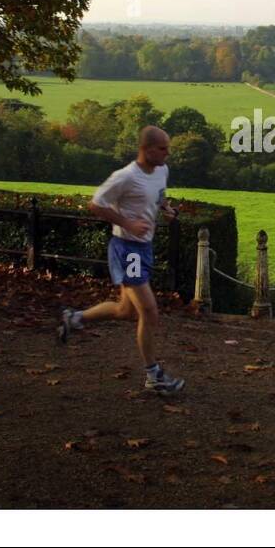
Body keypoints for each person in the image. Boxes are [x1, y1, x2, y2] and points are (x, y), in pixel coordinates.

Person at [58, 125, 185, 395]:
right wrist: (126, 221)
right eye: (163, 148)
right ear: (147, 149)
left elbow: (159, 196)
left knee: (125, 311)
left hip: (145, 247)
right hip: (126, 249)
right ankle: (154, 376)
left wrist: (167, 210)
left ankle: (74, 318)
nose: (168, 153)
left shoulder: (162, 170)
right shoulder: (125, 176)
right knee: (149, 312)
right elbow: (95, 204)